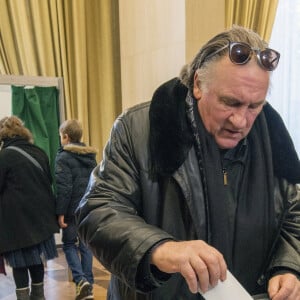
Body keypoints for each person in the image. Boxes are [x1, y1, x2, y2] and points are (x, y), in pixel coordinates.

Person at [76, 25, 300, 300]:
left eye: (254, 106)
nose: (241, 121)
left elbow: (295, 215)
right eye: (230, 102)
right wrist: (159, 249)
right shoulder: (138, 130)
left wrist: (288, 265)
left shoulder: (274, 138)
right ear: (197, 84)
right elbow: (97, 210)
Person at [0, 116, 59, 300]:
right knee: (36, 259)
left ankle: (23, 298)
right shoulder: (39, 152)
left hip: (16, 219)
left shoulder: (4, 156)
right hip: (41, 216)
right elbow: (48, 181)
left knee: (19, 263)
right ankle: (39, 296)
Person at [55, 119, 97, 300]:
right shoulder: (90, 157)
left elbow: (64, 188)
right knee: (86, 245)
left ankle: (81, 281)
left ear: (66, 136)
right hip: (88, 208)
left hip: (71, 210)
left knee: (69, 244)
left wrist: (60, 212)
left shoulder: (63, 157)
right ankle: (89, 284)